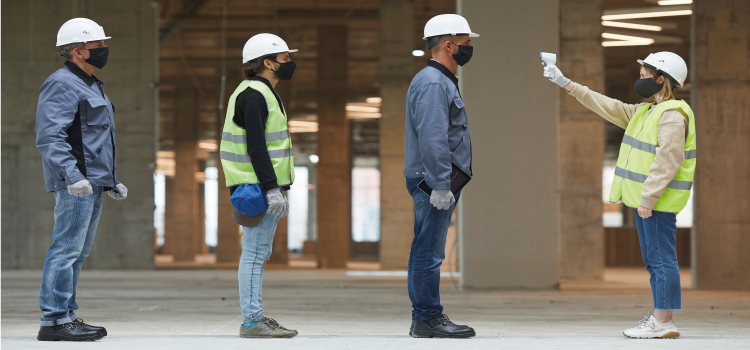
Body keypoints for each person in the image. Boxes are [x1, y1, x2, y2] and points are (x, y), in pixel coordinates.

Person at [544, 51, 695, 339]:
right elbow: (607, 106)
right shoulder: (645, 112)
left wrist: (649, 198)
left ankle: (663, 322)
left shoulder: (673, 115)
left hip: (657, 202)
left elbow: (669, 160)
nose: (639, 81)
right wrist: (566, 83)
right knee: (655, 260)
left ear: (661, 79)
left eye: (644, 76)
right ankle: (661, 319)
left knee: (662, 260)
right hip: (646, 201)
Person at [35, 18, 127, 342]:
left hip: (93, 182)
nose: (104, 49)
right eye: (98, 45)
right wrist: (72, 176)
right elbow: (50, 137)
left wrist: (111, 180)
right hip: (76, 183)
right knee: (65, 250)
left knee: (78, 251)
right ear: (78, 51)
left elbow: (93, 138)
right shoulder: (61, 83)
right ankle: (55, 320)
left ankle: (67, 314)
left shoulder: (92, 84)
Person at [403, 14, 478, 339]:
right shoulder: (434, 83)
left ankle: (426, 315)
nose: (469, 50)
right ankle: (427, 317)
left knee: (427, 248)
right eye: (466, 44)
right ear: (449, 45)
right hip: (434, 180)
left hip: (436, 178)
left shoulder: (439, 81)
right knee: (429, 250)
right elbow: (433, 137)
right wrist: (439, 184)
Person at [219, 33, 298, 338]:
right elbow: (256, 147)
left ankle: (256, 317)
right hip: (255, 188)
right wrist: (272, 189)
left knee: (258, 252)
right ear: (268, 62)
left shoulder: (262, 93)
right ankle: (252, 321)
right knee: (253, 254)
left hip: (260, 186)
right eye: (286, 58)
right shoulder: (254, 95)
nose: (290, 63)